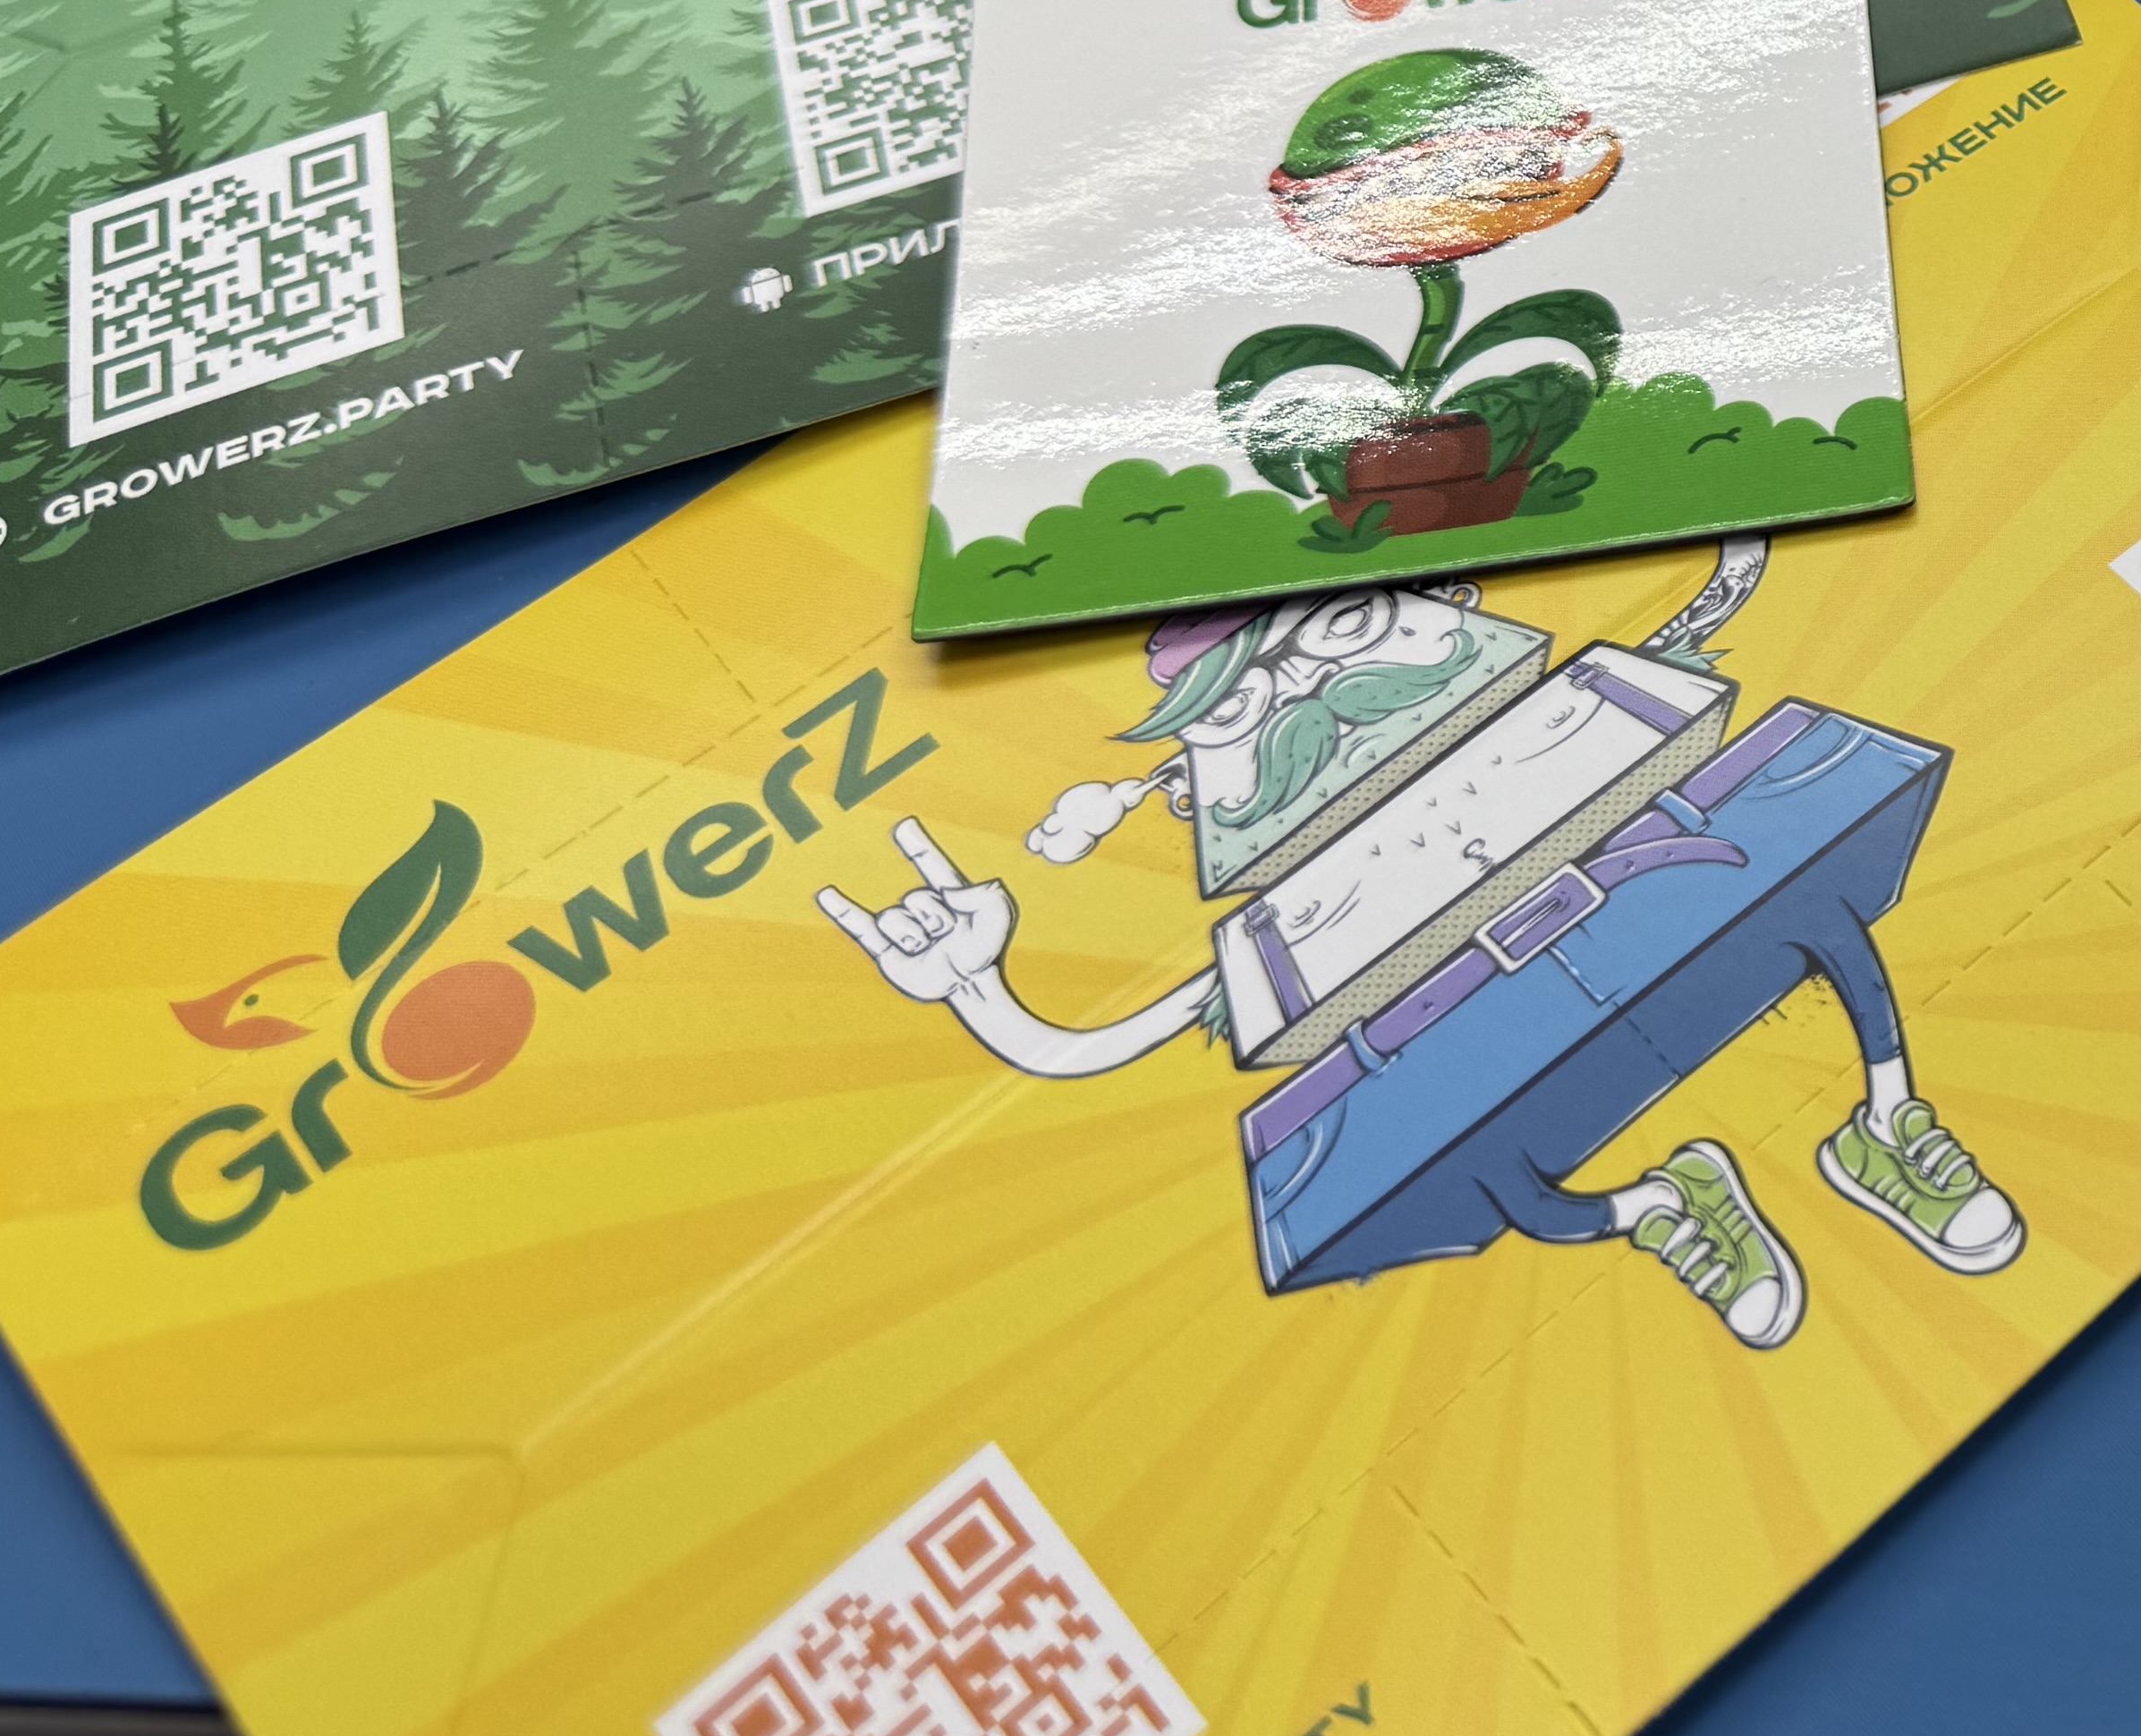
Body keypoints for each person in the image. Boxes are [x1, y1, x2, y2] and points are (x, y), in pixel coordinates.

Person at [814, 564, 2018, 1349]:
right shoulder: (1281, 930)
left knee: (1811, 893)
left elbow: (1727, 580)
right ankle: (1663, 1202)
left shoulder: (1596, 700)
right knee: (1478, 1162)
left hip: (1674, 867)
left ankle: (1885, 1122)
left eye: (1339, 635)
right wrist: (978, 987)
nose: (1317, 699)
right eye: (1239, 707)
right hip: (1467, 1017)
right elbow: (1082, 1049)